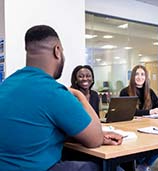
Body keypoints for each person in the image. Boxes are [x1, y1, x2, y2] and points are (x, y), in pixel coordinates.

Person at [0, 25, 122, 171]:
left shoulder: (7, 84)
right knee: (104, 167)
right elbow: (94, 140)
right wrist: (80, 96)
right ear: (57, 51)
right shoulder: (54, 92)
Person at [119, 65, 158, 171]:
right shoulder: (125, 92)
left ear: (146, 77)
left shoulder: (150, 92)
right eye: (137, 74)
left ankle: (144, 165)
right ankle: (137, 164)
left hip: (148, 127)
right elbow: (128, 112)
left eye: (142, 74)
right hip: (131, 128)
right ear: (132, 77)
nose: (139, 77)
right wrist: (149, 111)